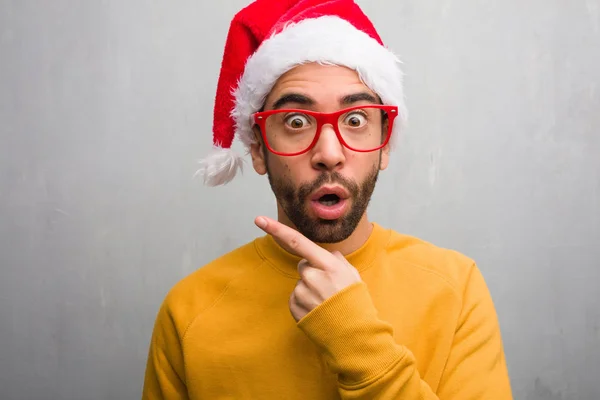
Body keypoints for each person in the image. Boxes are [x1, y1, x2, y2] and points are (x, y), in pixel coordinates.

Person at [142, 0, 513, 398]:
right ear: (257, 148)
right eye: (296, 122)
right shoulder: (189, 311)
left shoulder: (455, 289)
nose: (330, 153)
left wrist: (356, 340)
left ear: (385, 144)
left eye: (356, 120)